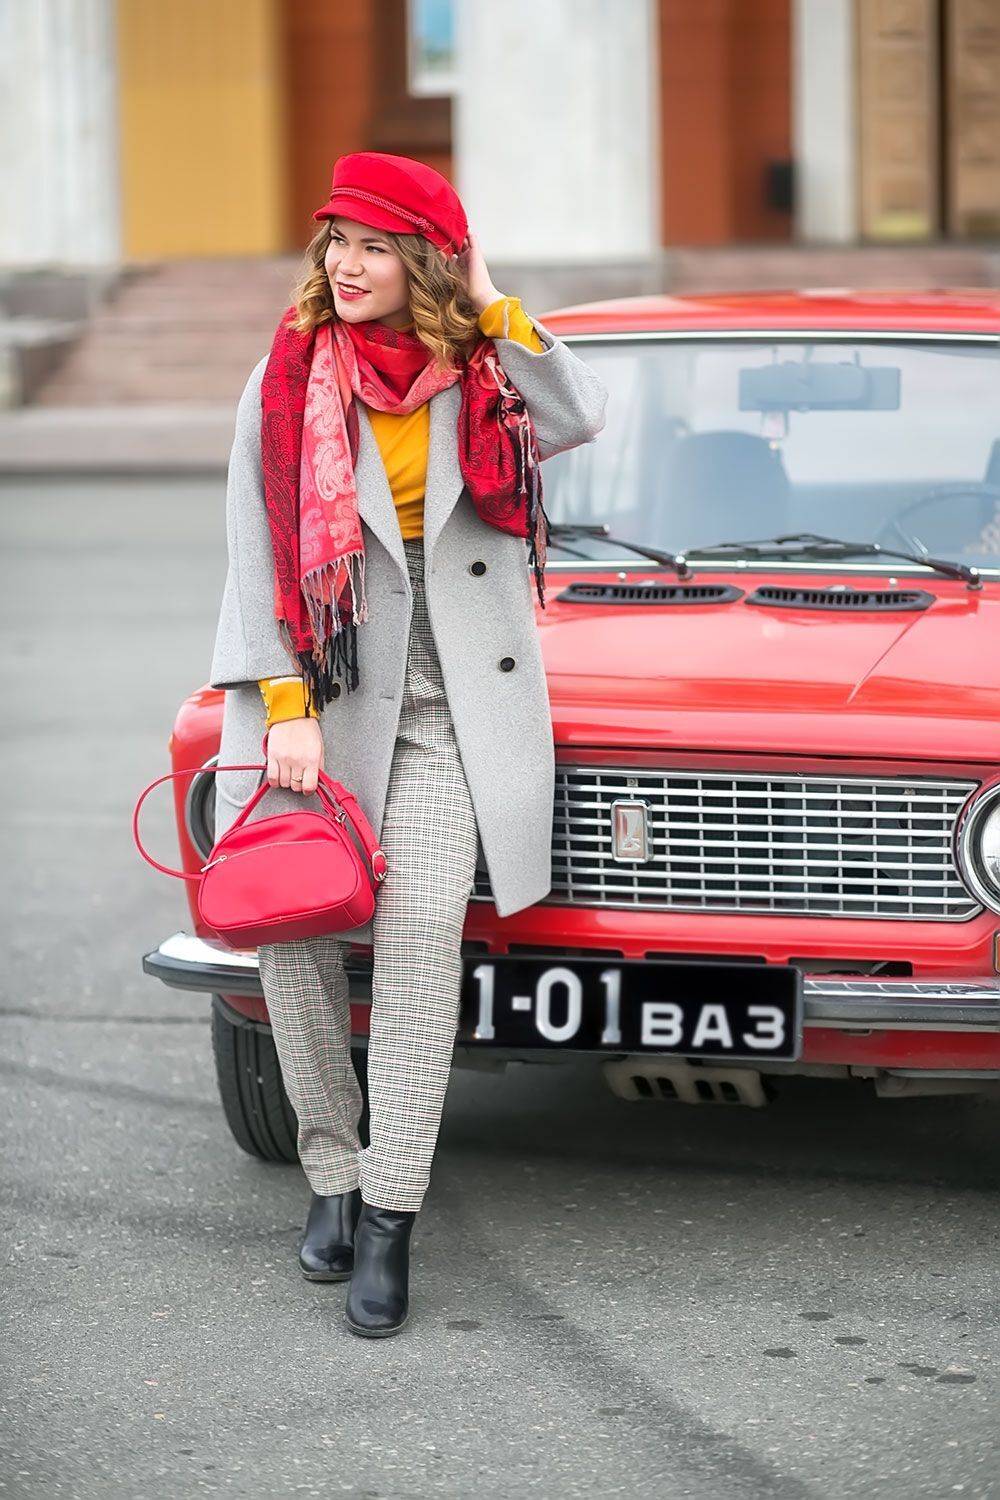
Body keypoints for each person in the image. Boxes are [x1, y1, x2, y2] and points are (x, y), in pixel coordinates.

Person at [208, 151, 608, 1337]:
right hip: (319, 688)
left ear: (425, 261)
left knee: (425, 944)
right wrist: (284, 707)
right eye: (337, 240)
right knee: (294, 943)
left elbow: (577, 413)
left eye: (375, 246)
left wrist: (489, 297)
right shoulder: (287, 377)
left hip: (449, 700)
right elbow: (254, 554)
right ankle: (331, 1172)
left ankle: (389, 1213)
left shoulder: (477, 368)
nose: (346, 264)